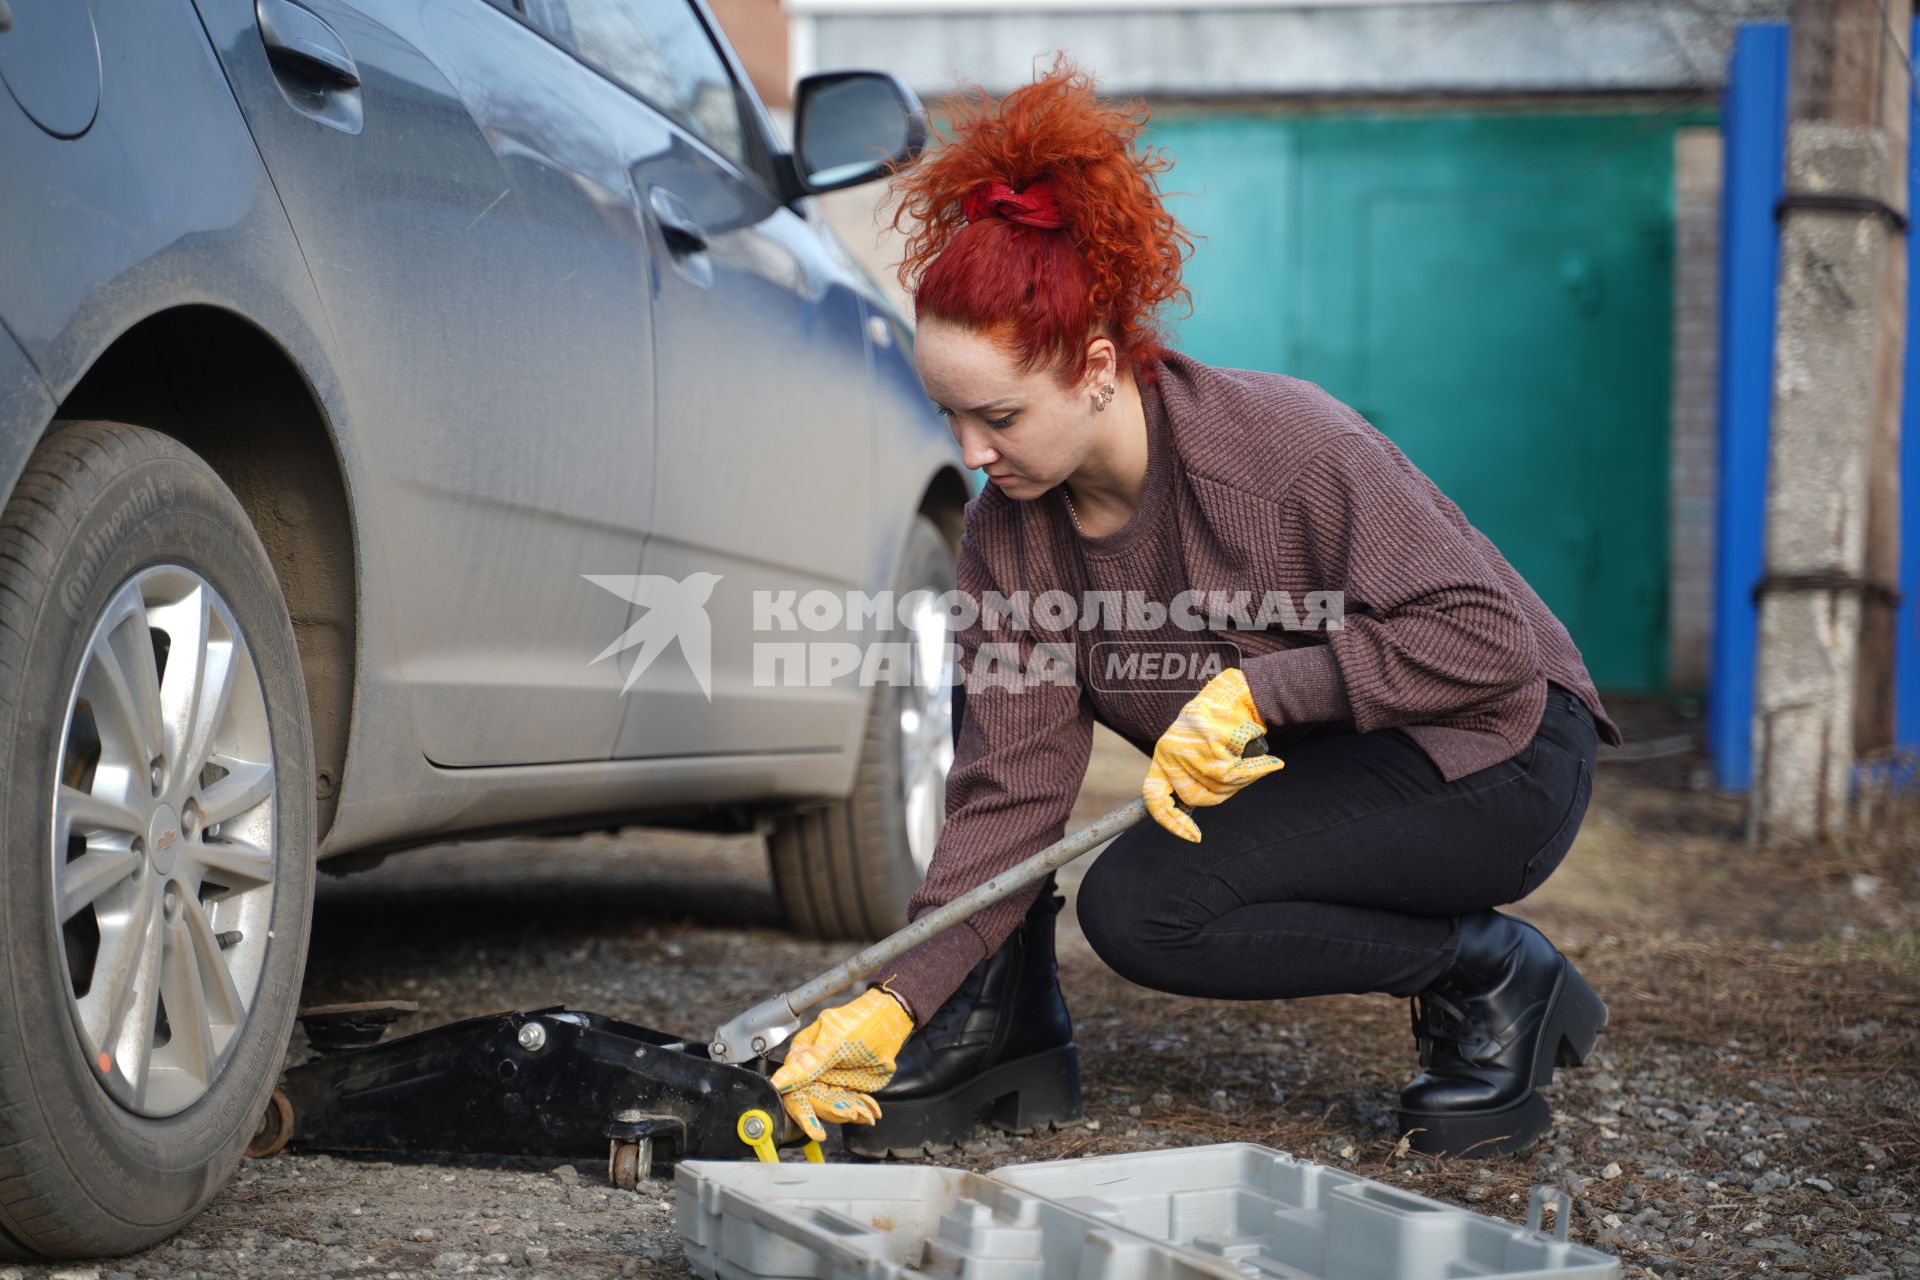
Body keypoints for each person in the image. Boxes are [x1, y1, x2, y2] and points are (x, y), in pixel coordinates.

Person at [769, 57, 1619, 1162]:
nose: (970, 453)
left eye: (999, 416)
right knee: (1144, 909)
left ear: (1098, 367)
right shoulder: (1009, 536)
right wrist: (897, 999)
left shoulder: (1279, 450)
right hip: (1332, 766)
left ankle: (1493, 971)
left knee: (1158, 891)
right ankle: (1000, 1018)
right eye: (950, 415)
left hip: (1495, 752)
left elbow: (1487, 641)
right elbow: (1009, 793)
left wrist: (1262, 687)